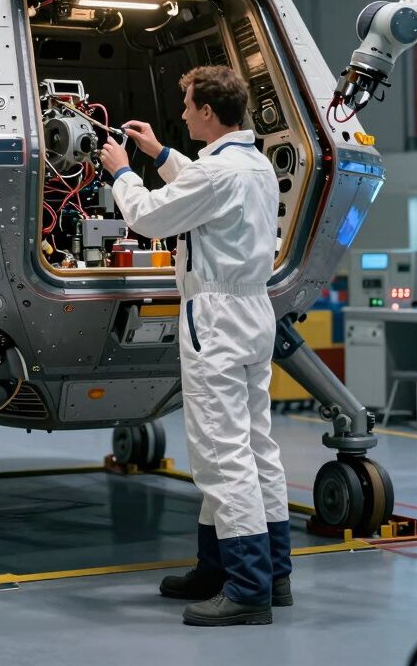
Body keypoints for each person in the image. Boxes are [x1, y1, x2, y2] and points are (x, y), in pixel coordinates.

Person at [99, 65, 291, 628]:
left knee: (220, 454)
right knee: (256, 447)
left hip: (216, 317)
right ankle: (260, 573)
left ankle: (247, 589)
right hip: (254, 311)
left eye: (186, 105)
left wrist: (121, 173)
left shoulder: (218, 173)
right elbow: (202, 190)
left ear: (208, 111)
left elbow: (150, 216)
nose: (182, 114)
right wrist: (159, 154)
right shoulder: (249, 165)